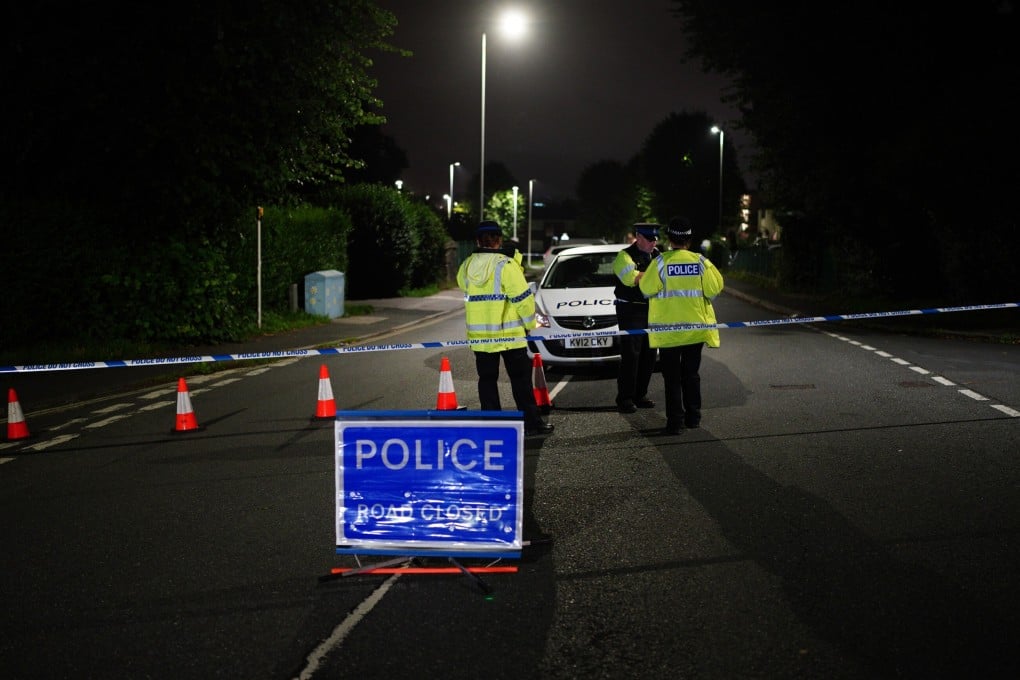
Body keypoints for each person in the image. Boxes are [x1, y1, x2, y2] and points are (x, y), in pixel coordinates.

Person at [457, 220, 554, 436]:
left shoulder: (466, 266)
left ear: (477, 241)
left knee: (487, 381)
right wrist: (530, 325)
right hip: (510, 335)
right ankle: (531, 423)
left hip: (481, 338)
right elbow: (523, 299)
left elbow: (463, 284)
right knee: (520, 381)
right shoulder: (506, 265)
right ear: (499, 240)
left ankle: (493, 426)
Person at [639, 216, 724, 435]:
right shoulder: (700, 261)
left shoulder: (660, 263)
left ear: (669, 238)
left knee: (672, 378)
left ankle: (675, 422)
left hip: (669, 333)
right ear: (689, 239)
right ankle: (693, 417)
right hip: (695, 330)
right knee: (691, 375)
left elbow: (646, 290)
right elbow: (714, 289)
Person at [612, 222, 661, 413]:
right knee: (631, 356)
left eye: (655, 239)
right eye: (649, 239)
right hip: (631, 312)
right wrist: (655, 275)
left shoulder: (657, 255)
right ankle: (624, 398)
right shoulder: (624, 256)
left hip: (652, 311)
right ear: (638, 237)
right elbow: (632, 279)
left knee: (649, 355)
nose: (652, 243)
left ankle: (640, 395)